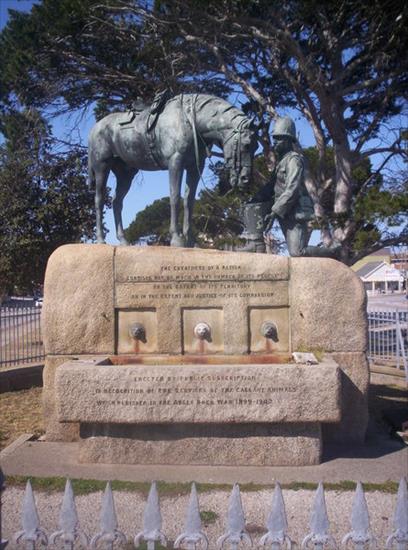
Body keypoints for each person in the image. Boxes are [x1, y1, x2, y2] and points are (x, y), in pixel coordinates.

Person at [239, 116, 340, 257]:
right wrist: (254, 198)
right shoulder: (281, 161)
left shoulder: (294, 160)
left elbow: (292, 189)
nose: (275, 142)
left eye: (279, 139)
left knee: (297, 252)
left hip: (294, 212)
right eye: (274, 138)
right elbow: (271, 186)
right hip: (282, 211)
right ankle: (255, 243)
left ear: (288, 140)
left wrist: (274, 212)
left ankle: (332, 251)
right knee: (252, 204)